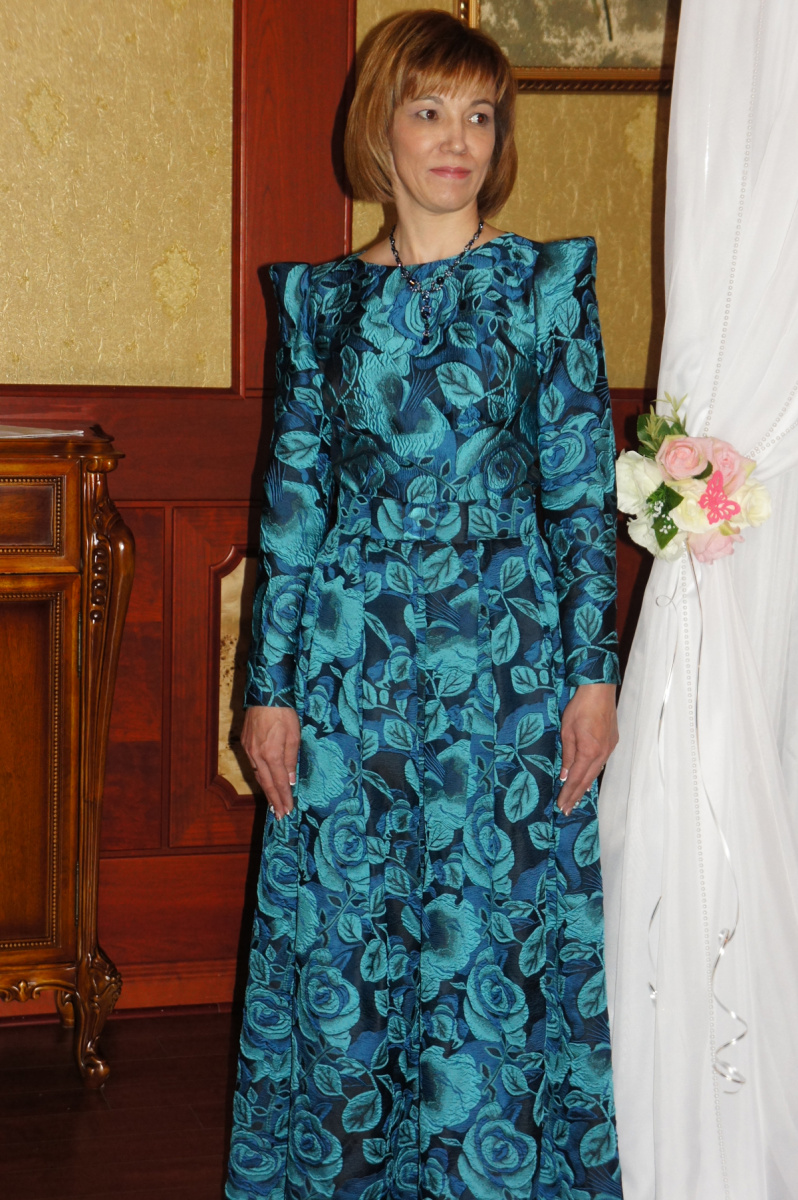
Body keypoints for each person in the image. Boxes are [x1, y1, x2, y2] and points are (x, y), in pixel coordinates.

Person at [226, 10, 621, 1200]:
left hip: (503, 668)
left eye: (481, 115)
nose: (458, 139)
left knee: (487, 943)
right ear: (381, 129)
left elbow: (578, 498)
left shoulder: (544, 286)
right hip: (347, 673)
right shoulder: (321, 305)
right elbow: (291, 510)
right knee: (344, 940)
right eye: (431, 110)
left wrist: (593, 677)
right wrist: (269, 692)